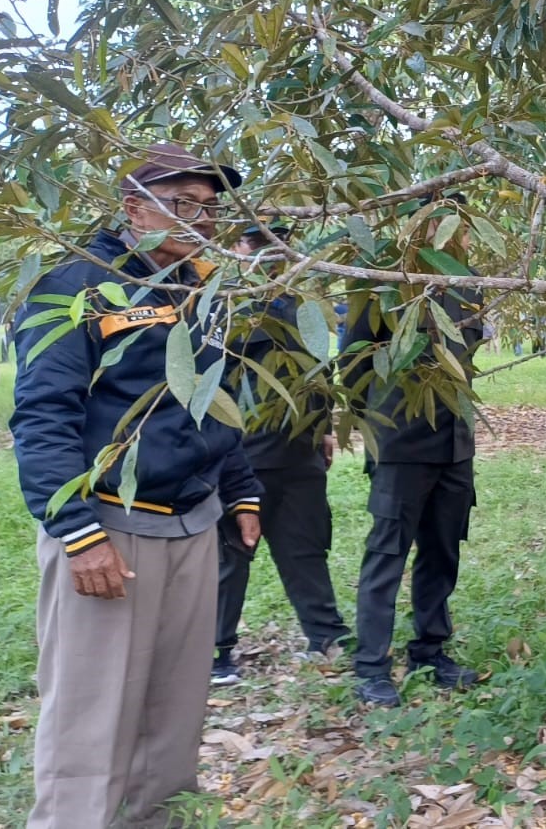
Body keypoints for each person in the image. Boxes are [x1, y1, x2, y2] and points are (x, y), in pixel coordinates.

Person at [11, 142, 265, 828]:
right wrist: (77, 533)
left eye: (209, 208)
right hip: (111, 529)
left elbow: (210, 399)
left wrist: (240, 488)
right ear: (134, 208)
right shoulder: (79, 286)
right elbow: (43, 415)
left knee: (174, 715)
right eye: (182, 203)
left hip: (192, 523)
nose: (200, 220)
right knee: (91, 718)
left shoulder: (201, 286)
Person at [341, 193, 483, 707]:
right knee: (387, 554)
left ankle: (430, 649)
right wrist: (374, 427)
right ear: (417, 227)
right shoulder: (384, 283)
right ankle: (371, 667)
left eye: (460, 225)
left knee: (443, 550)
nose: (452, 234)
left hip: (454, 443)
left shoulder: (470, 284)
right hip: (400, 441)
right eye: (439, 223)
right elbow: (354, 362)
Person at [212, 224, 351, 684]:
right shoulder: (225, 307)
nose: (271, 252)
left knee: (305, 547)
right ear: (236, 248)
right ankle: (216, 651)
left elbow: (318, 371)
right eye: (257, 243)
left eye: (280, 241)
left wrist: (325, 429)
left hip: (300, 454)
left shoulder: (303, 304)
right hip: (243, 458)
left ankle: (325, 635)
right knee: (232, 556)